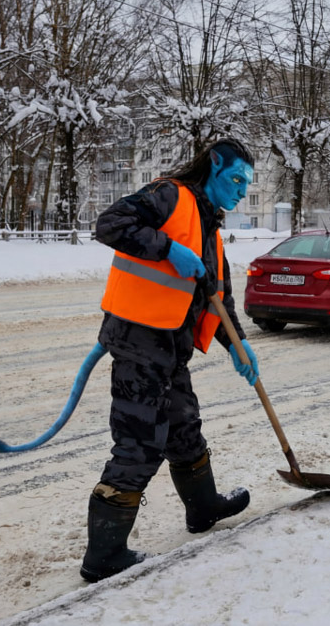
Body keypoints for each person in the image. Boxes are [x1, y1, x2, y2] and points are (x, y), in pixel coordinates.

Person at [81, 138, 260, 583]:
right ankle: (103, 555)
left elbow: (217, 300)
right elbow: (109, 223)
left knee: (183, 426)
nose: (240, 192)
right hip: (138, 344)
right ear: (213, 167)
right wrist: (166, 248)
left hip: (171, 350)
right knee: (140, 442)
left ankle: (203, 509)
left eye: (246, 185)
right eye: (236, 180)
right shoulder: (169, 197)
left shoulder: (210, 230)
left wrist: (239, 345)